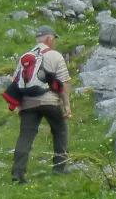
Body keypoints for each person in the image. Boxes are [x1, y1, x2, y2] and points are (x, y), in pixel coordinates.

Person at [9, 25, 73, 183]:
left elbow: (16, 82)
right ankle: (60, 168)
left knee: (25, 137)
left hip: (28, 103)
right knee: (60, 131)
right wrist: (67, 106)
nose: (55, 42)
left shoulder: (25, 56)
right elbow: (63, 83)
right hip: (50, 100)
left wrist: (18, 105)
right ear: (49, 38)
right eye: (54, 39)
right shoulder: (55, 55)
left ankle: (18, 174)